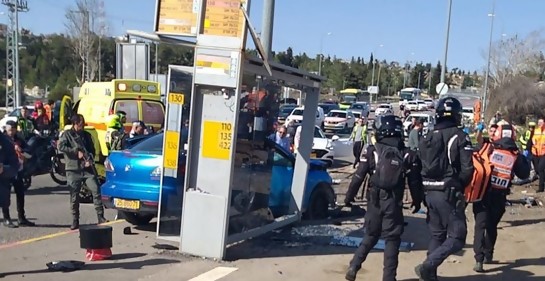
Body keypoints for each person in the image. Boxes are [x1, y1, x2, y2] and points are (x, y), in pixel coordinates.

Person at [345, 114, 423, 281]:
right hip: (394, 201)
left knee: (371, 235)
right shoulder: (408, 154)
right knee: (392, 239)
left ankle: (354, 266)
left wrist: (348, 197)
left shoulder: (371, 151)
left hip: (374, 199)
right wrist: (417, 201)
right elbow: (415, 182)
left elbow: (358, 176)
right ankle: (389, 277)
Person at [415, 97, 475, 281]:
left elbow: (419, 165)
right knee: (457, 238)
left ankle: (430, 275)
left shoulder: (428, 135)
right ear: (457, 115)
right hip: (448, 193)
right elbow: (468, 169)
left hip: (429, 192)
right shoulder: (460, 136)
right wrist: (458, 186)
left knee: (437, 234)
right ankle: (427, 266)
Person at [472, 122, 530, 273]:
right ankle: (488, 254)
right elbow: (524, 174)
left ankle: (479, 260)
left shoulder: (488, 148)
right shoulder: (514, 155)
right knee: (492, 226)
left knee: (480, 226)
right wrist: (522, 156)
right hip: (500, 196)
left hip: (482, 194)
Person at [58, 114, 108, 230]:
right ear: (75, 124)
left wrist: (89, 159)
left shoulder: (86, 135)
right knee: (74, 196)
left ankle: (100, 216)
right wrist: (75, 152)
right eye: (80, 125)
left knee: (96, 190)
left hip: (87, 169)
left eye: (83, 124)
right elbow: (61, 147)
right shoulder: (67, 135)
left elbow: (92, 149)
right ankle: (75, 220)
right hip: (73, 169)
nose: (82, 127)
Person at [2, 121, 35, 227]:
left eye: (13, 129)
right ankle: (6, 219)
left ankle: (22, 217)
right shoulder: (3, 140)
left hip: (18, 170)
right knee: (5, 195)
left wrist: (23, 152)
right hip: (5, 171)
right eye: (9, 130)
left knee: (20, 194)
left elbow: (29, 151)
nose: (11, 132)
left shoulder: (19, 140)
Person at [0, 129, 20, 228]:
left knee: (4, 196)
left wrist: (3, 168)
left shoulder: (5, 141)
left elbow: (14, 165)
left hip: (2, 177)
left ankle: (6, 217)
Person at [531, 118, 545, 193]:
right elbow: (533, 138)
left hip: (543, 153)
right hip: (535, 152)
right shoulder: (536, 130)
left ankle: (541, 187)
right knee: (537, 169)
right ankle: (543, 180)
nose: (539, 123)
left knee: (540, 168)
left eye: (541, 122)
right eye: (538, 122)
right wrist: (533, 142)